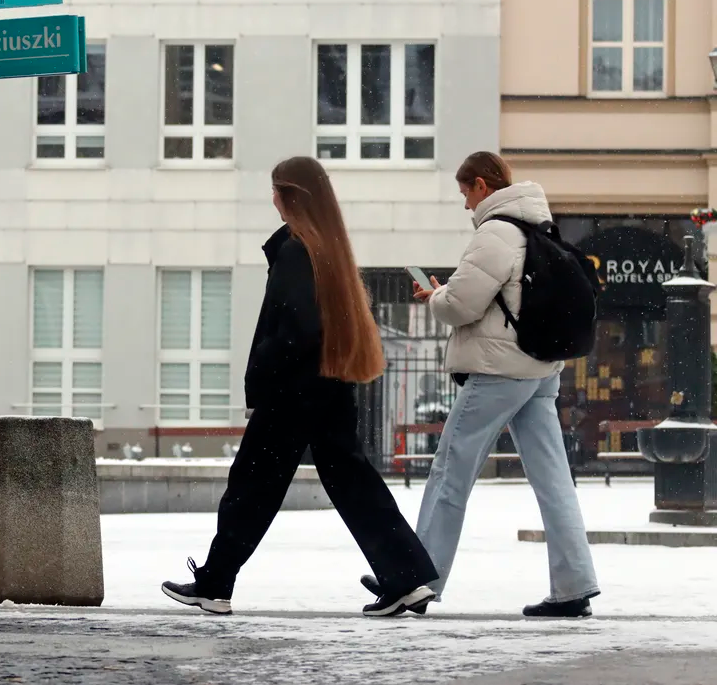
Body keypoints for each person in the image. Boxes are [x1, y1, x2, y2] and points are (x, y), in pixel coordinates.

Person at [162, 156, 439, 617]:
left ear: (289, 196)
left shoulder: (296, 250)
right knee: (354, 484)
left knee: (252, 486)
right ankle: (405, 578)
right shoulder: (329, 247)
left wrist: (265, 372)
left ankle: (215, 584)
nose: (271, 197)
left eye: (275, 190)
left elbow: (296, 327)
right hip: (329, 386)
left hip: (293, 391)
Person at [360, 151, 600, 618]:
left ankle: (415, 579)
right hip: (541, 370)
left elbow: (462, 308)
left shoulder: (496, 232)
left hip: (500, 371)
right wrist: (448, 295)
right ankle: (574, 585)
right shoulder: (540, 229)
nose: (466, 205)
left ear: (483, 186)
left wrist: (437, 298)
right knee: (553, 480)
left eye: (465, 193)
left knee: (450, 469)